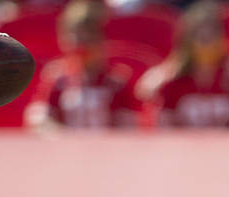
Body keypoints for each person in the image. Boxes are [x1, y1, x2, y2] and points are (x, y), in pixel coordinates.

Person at [24, 0, 141, 130]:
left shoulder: (116, 81)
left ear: (102, 39)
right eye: (76, 37)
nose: (81, 45)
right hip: (65, 148)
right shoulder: (58, 78)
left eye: (89, 38)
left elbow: (128, 127)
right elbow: (39, 120)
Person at [136, 0, 229, 128]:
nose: (207, 45)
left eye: (212, 37)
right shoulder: (173, 81)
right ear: (187, 42)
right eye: (202, 38)